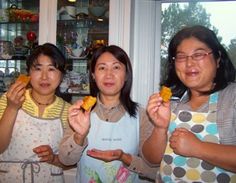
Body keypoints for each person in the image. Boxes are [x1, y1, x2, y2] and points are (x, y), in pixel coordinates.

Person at [143, 25, 236, 183]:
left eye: (198, 54)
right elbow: (151, 160)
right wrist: (160, 128)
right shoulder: (170, 103)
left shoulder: (232, 97)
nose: (189, 62)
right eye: (181, 56)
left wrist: (198, 148)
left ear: (218, 59)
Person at [59, 45, 158, 182]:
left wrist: (124, 158)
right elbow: (65, 160)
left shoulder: (142, 115)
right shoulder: (79, 112)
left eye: (116, 67)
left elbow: (155, 171)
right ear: (93, 75)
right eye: (102, 68)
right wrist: (79, 136)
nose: (109, 74)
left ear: (126, 75)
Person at [0, 43, 72, 182]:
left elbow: (71, 161)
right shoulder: (9, 99)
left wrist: (54, 159)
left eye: (51, 69)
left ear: (62, 75)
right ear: (28, 73)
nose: (44, 77)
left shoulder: (69, 111)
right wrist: (12, 108)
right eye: (38, 69)